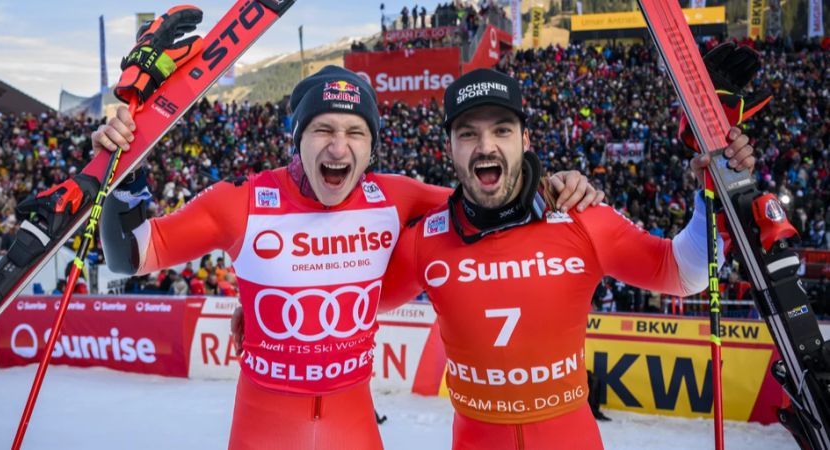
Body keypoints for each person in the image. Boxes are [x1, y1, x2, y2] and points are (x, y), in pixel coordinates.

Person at [93, 65, 601, 449]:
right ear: (298, 139)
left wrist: (555, 183)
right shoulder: (242, 203)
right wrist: (126, 180)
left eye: (355, 133)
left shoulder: (395, 197)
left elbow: (485, 197)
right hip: (261, 431)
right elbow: (130, 256)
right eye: (323, 130)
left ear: (372, 148)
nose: (338, 148)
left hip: (354, 431)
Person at [378, 68, 756, 449]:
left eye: (502, 130)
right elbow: (355, 301)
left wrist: (716, 187)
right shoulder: (426, 238)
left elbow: (682, 274)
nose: (486, 146)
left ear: (526, 139)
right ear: (449, 148)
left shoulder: (579, 215)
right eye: (468, 133)